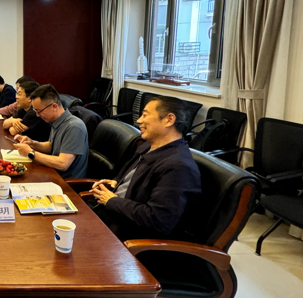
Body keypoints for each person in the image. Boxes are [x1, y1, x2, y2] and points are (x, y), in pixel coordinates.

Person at [87, 97, 202, 241]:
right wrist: (116, 182)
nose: (139, 120)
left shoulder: (178, 167)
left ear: (169, 120)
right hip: (108, 217)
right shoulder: (148, 146)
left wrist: (112, 200)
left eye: (145, 115)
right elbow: (134, 179)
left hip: (126, 237)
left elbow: (158, 220)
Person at [12, 84, 88, 180]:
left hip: (66, 183)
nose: (37, 115)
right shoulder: (56, 121)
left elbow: (62, 163)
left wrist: (31, 152)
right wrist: (32, 143)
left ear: (54, 106)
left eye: (39, 111)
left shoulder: (74, 126)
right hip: (52, 173)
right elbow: (51, 146)